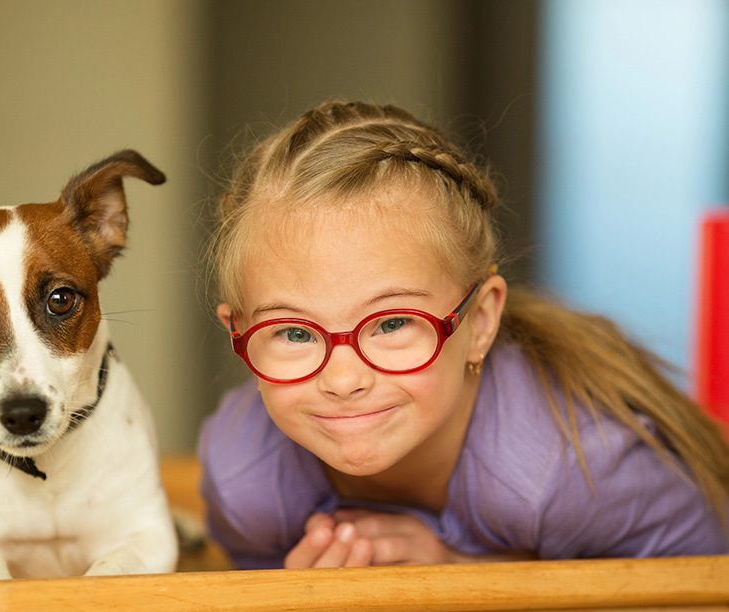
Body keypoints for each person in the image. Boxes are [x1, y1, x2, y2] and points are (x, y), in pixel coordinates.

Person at [198, 100, 729, 569]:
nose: (342, 380)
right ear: (239, 335)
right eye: (294, 333)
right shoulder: (246, 481)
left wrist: (470, 573)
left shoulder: (572, 472)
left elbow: (703, 597)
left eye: (392, 323)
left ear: (480, 322)